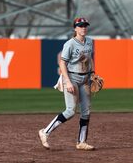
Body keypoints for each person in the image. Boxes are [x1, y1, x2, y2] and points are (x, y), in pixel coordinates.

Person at [38, 17, 95, 151]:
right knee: (70, 111)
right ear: (75, 29)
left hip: (85, 79)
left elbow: (89, 59)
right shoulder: (70, 44)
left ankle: (81, 142)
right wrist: (67, 82)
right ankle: (45, 132)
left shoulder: (90, 42)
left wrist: (92, 73)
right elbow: (62, 63)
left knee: (86, 112)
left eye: (85, 25)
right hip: (72, 78)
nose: (83, 28)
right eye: (80, 26)